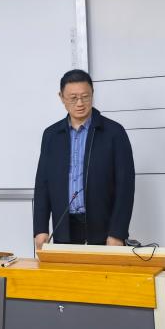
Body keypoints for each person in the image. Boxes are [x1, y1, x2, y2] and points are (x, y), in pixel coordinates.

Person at [33, 69, 135, 249]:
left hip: (104, 231)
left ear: (92, 94)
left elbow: (125, 187)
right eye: (73, 98)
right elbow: (43, 184)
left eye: (85, 97)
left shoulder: (114, 133)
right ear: (61, 97)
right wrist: (40, 229)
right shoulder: (51, 135)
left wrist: (117, 233)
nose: (80, 103)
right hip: (64, 229)